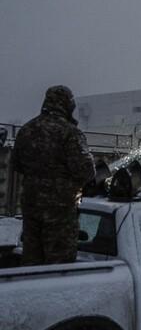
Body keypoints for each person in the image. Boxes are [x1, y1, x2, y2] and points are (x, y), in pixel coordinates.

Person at [12, 86, 95, 265]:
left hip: (31, 205)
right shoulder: (70, 132)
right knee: (59, 264)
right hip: (60, 209)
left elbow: (16, 165)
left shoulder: (26, 130)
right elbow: (86, 171)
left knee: (32, 259)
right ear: (66, 104)